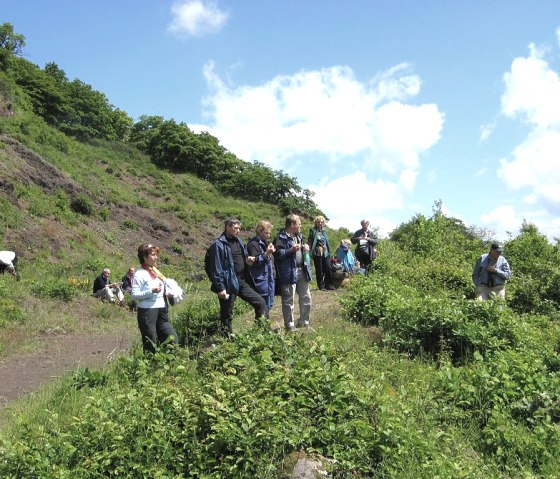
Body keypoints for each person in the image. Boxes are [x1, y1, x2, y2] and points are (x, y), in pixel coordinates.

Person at [206, 218, 267, 337]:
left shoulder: (239, 241)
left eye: (239, 228)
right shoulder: (218, 245)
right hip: (228, 282)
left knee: (260, 302)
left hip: (241, 280)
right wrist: (220, 288)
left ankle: (260, 333)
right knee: (227, 313)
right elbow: (216, 268)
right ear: (227, 227)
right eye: (235, 228)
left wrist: (248, 260)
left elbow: (241, 258)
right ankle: (226, 340)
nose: (238, 230)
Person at [131, 243, 179, 353]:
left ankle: (169, 365)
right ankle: (150, 367)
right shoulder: (140, 274)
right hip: (147, 312)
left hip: (162, 310)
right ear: (144, 257)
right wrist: (151, 291)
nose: (156, 257)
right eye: (153, 255)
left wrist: (169, 293)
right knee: (151, 343)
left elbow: (162, 289)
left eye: (156, 254)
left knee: (172, 338)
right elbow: (134, 295)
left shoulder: (157, 272)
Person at [274, 214, 313, 331]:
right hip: (288, 272)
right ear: (292, 225)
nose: (301, 225)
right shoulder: (280, 238)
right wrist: (290, 250)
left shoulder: (300, 236)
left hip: (302, 270)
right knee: (288, 300)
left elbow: (304, 249)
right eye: (299, 223)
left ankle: (304, 322)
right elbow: (277, 254)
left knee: (306, 297)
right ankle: (289, 325)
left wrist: (306, 247)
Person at [247, 220, 276, 318]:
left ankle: (263, 330)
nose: (268, 235)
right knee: (262, 308)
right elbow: (255, 262)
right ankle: (263, 330)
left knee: (268, 306)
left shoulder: (265, 243)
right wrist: (267, 253)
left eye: (269, 233)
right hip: (260, 281)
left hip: (268, 281)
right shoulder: (253, 244)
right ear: (259, 231)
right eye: (266, 233)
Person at [307, 215, 335, 291]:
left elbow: (327, 242)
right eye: (318, 222)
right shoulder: (313, 230)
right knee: (319, 269)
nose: (320, 223)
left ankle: (328, 284)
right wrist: (309, 250)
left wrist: (329, 251)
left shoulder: (325, 231)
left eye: (322, 222)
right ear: (316, 223)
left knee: (328, 267)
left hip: (325, 251)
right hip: (317, 251)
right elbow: (310, 240)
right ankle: (321, 285)